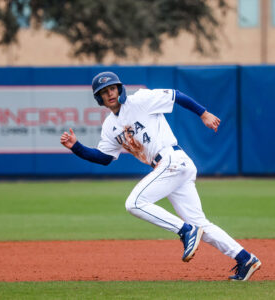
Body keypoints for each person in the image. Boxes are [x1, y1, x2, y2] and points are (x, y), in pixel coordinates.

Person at [60, 71, 261, 281]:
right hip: (169, 168)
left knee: (134, 203)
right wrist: (76, 147)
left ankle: (185, 231)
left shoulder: (140, 100)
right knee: (201, 224)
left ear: (119, 89)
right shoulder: (110, 126)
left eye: (112, 88)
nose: (110, 93)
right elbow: (104, 157)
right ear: (98, 98)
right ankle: (245, 259)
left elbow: (175, 95)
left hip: (171, 160)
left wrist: (203, 113)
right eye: (104, 91)